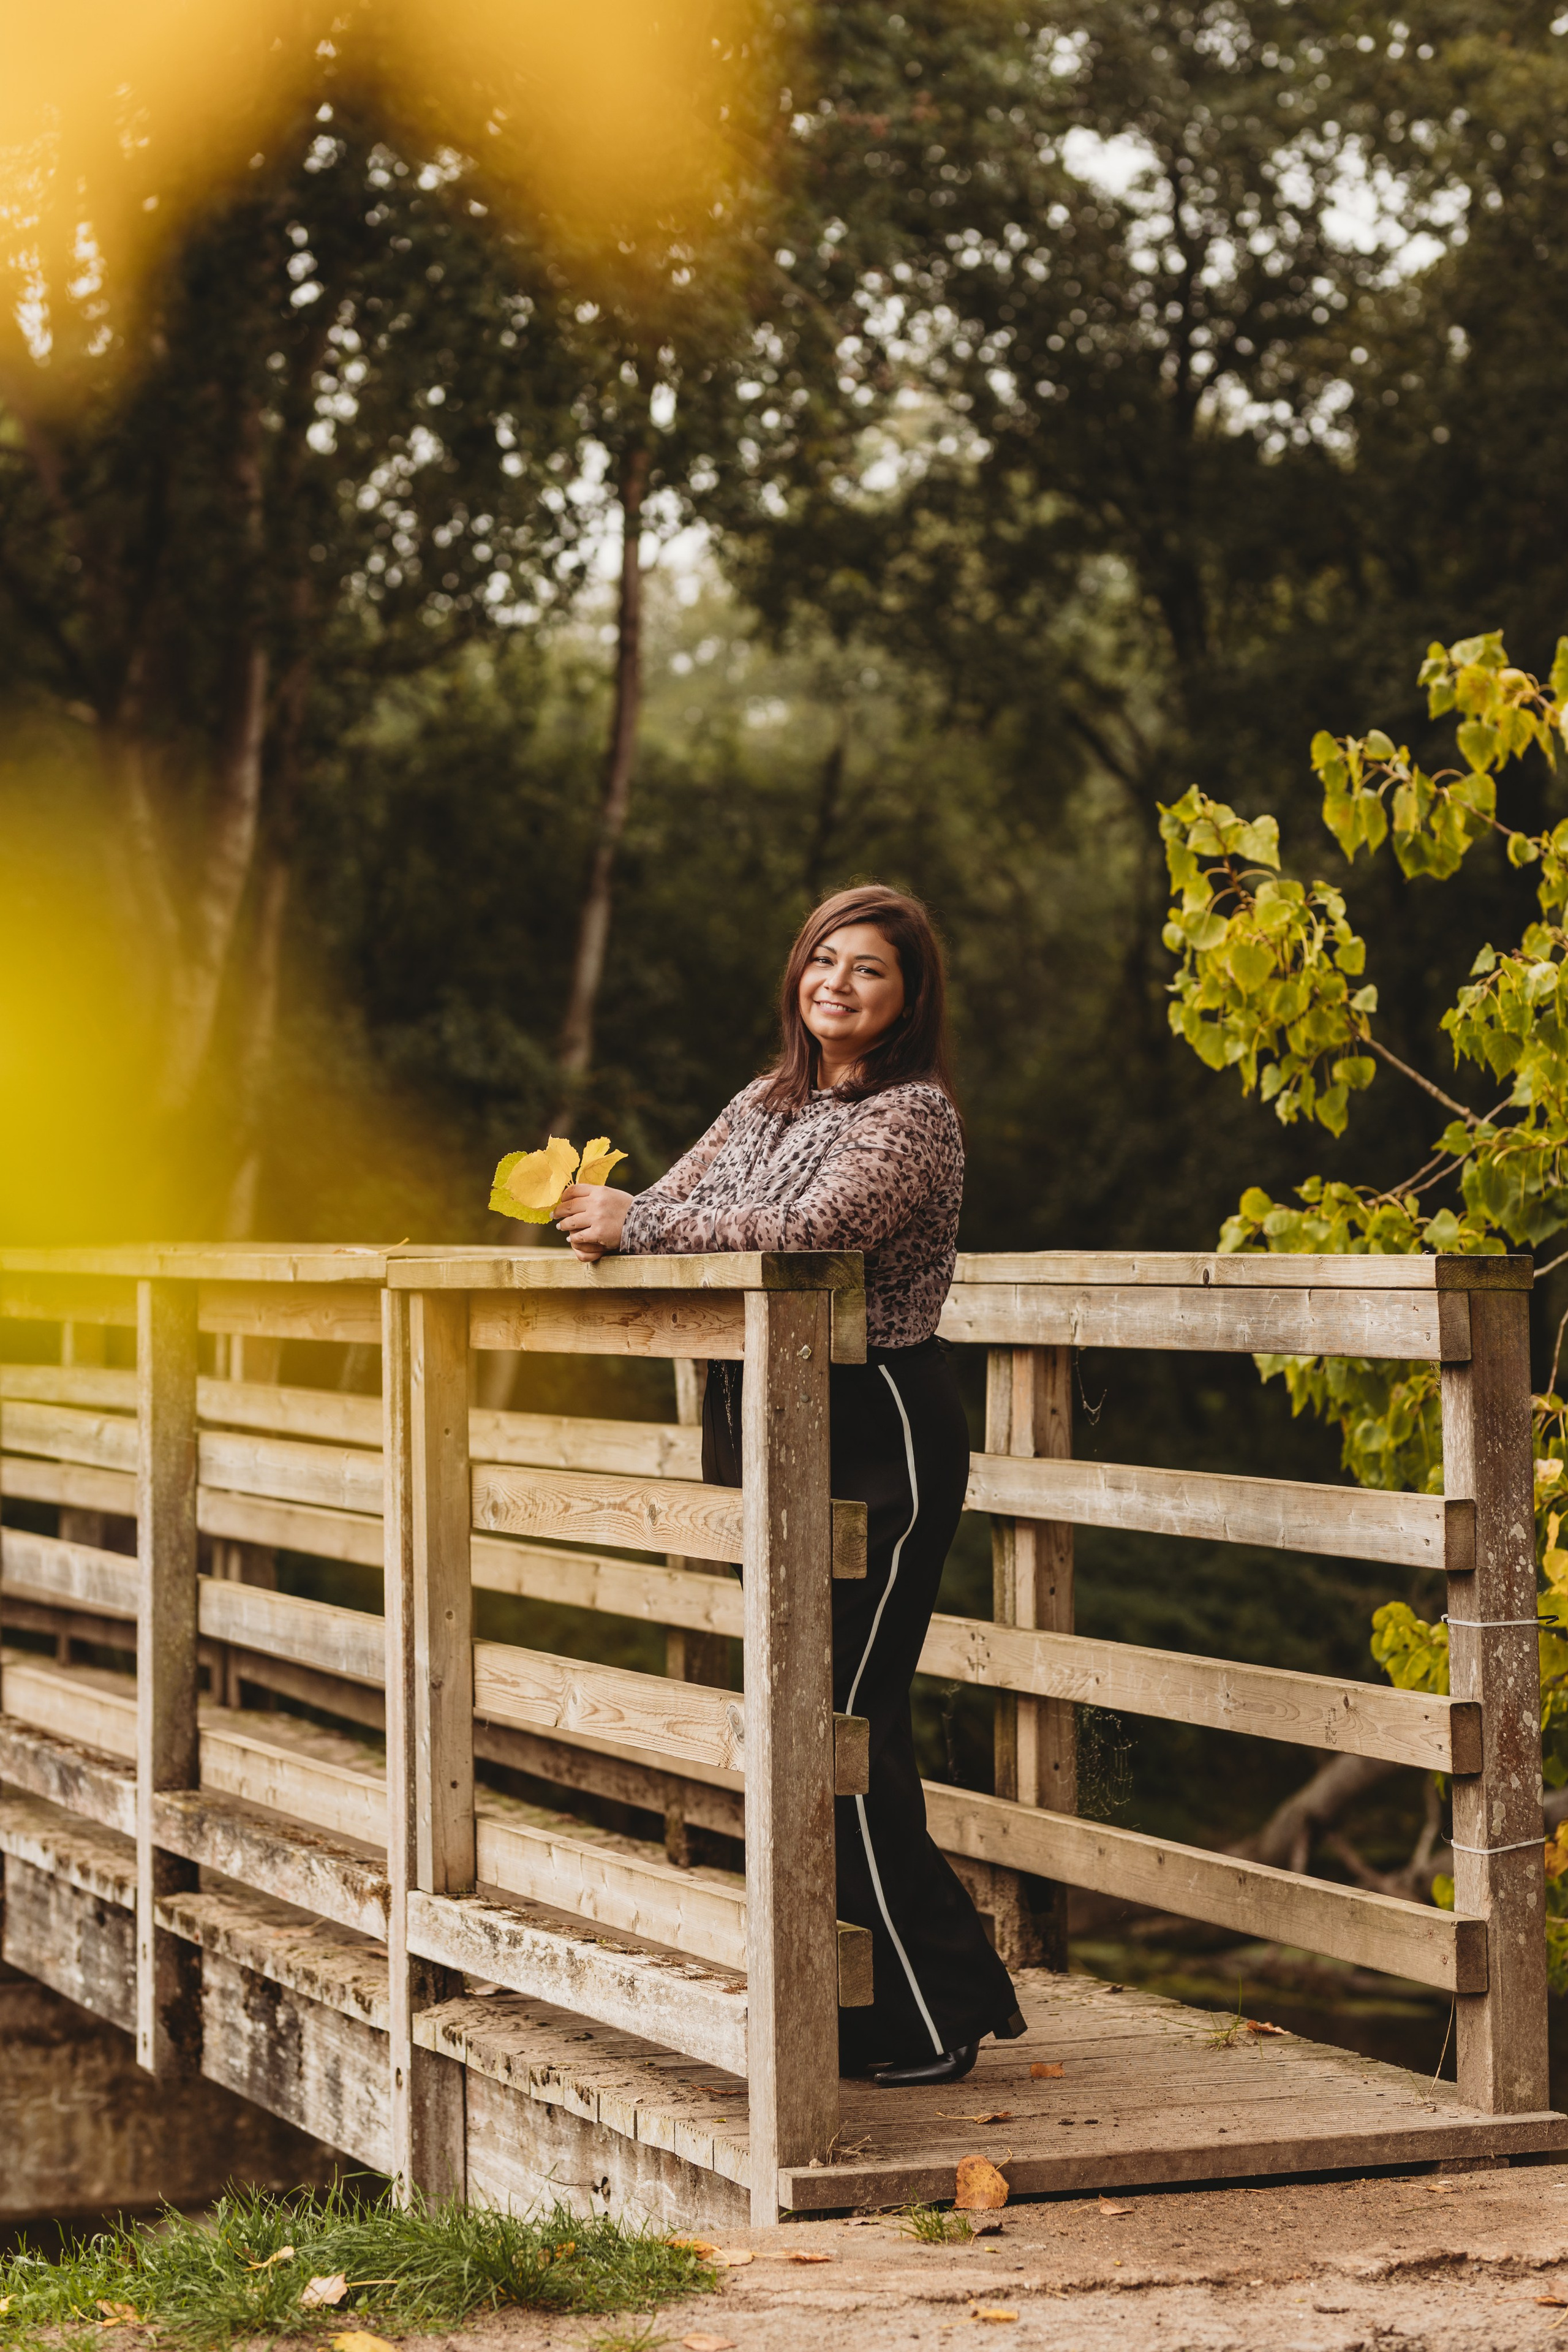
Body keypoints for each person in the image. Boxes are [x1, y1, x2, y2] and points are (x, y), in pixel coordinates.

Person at [552, 884, 1026, 2086]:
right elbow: (675, 1199)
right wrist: (650, 1218)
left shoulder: (912, 1117)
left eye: (869, 970)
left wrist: (649, 1224)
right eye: (824, 961)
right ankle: (890, 2001)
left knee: (840, 1725)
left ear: (907, 998)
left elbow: (808, 1231)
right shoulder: (766, 1099)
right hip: (773, 1426)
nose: (838, 985)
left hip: (880, 1432)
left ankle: (920, 2020)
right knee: (805, 1721)